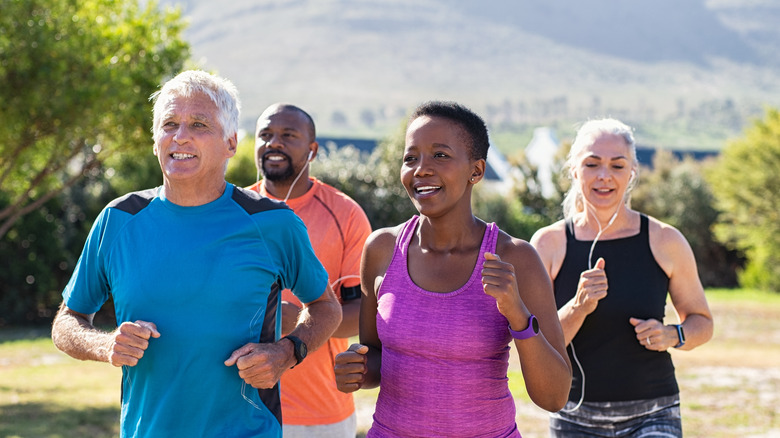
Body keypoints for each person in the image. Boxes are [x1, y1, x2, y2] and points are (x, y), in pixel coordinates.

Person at [50, 70, 342, 438]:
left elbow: (326, 306)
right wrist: (106, 344)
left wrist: (287, 351)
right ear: (156, 142)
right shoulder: (118, 220)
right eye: (169, 124)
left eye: (199, 124)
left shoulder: (273, 223)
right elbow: (66, 321)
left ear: (231, 142)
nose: (180, 136)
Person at [334, 101, 572, 437]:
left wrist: (517, 314)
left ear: (476, 171)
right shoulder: (381, 250)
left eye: (440, 156)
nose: (421, 169)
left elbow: (554, 396)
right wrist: (358, 368)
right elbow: (376, 357)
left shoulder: (515, 258)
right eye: (410, 157)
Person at [529, 118, 714, 437]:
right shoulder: (548, 244)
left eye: (617, 165)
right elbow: (535, 346)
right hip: (574, 417)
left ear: (632, 173)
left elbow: (702, 322)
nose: (604, 176)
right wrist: (578, 306)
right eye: (592, 163)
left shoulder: (665, 240)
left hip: (654, 413)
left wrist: (673, 335)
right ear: (574, 169)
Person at [247, 103, 372, 437]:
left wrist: (299, 321)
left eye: (288, 135)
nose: (275, 143)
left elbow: (361, 311)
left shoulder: (345, 214)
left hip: (320, 412)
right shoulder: (231, 213)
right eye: (266, 135)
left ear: (312, 149)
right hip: (240, 407)